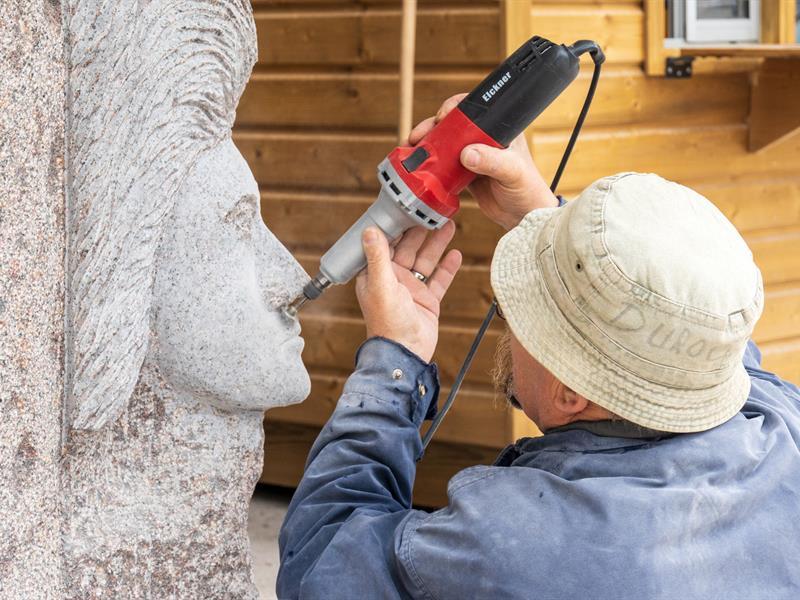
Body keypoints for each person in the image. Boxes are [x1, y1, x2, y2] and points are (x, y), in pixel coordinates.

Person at [276, 95, 800, 599]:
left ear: (572, 391)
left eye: (522, 307)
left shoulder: (514, 543)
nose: (506, 313)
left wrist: (393, 361)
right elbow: (692, 328)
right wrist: (545, 218)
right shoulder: (783, 429)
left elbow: (321, 564)